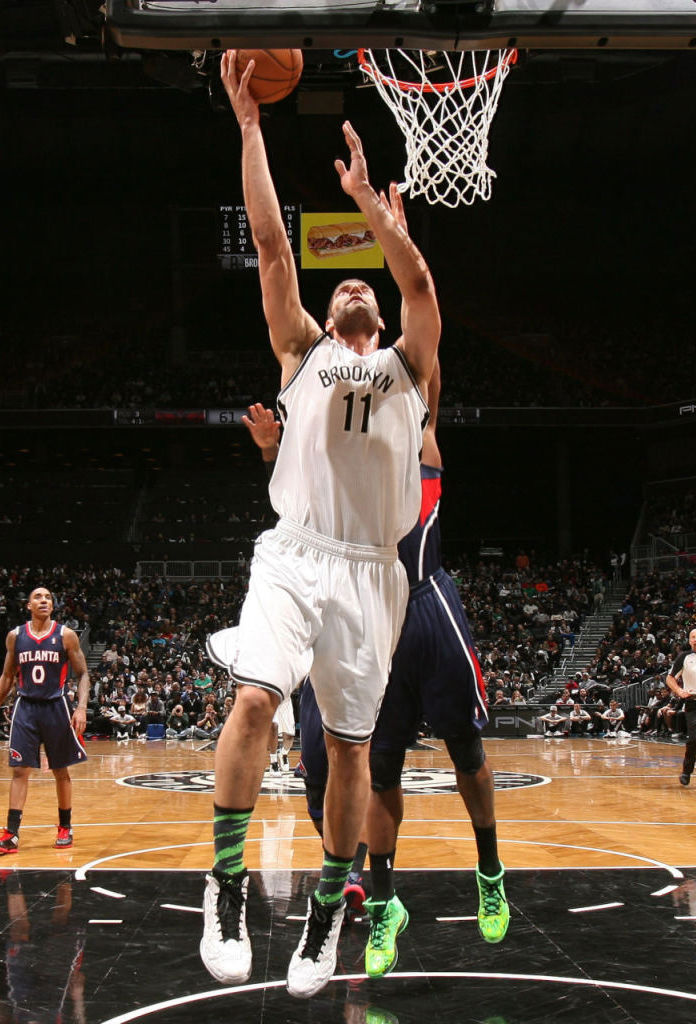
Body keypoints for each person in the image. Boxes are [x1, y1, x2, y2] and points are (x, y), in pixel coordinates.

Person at [200, 49, 440, 1001]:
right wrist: (251, 126)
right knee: (254, 700)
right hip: (294, 556)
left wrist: (382, 222)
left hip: (373, 576)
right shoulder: (300, 350)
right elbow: (270, 246)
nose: (352, 291)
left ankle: (329, 910)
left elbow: (419, 292)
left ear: (374, 313)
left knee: (347, 752)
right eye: (342, 287)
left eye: (361, 289)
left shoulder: (410, 373)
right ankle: (225, 888)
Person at [0, 587, 89, 853]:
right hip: (25, 707)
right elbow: (7, 677)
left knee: (61, 770)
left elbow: (83, 674)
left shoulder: (66, 635)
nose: (44, 601)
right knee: (20, 771)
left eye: (48, 597)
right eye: (38, 597)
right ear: (28, 605)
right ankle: (12, 834)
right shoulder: (16, 636)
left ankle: (65, 827)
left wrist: (81, 708)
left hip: (56, 707)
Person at [665, 627, 696, 786]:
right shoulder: (684, 657)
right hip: (692, 702)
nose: (695, 639)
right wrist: (678, 690)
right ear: (690, 640)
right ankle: (686, 771)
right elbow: (670, 678)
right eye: (693, 636)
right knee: (693, 739)